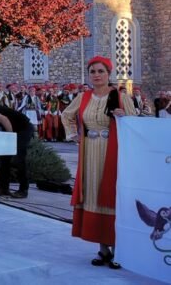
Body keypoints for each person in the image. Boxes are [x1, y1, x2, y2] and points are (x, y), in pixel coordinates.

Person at [61, 56, 137, 270]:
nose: (96, 75)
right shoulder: (83, 97)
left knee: (111, 195)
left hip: (113, 152)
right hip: (90, 152)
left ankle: (117, 249)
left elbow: (134, 124)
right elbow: (67, 115)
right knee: (94, 193)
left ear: (108, 73)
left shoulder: (120, 97)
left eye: (100, 71)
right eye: (92, 71)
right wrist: (74, 135)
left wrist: (123, 117)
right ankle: (103, 249)